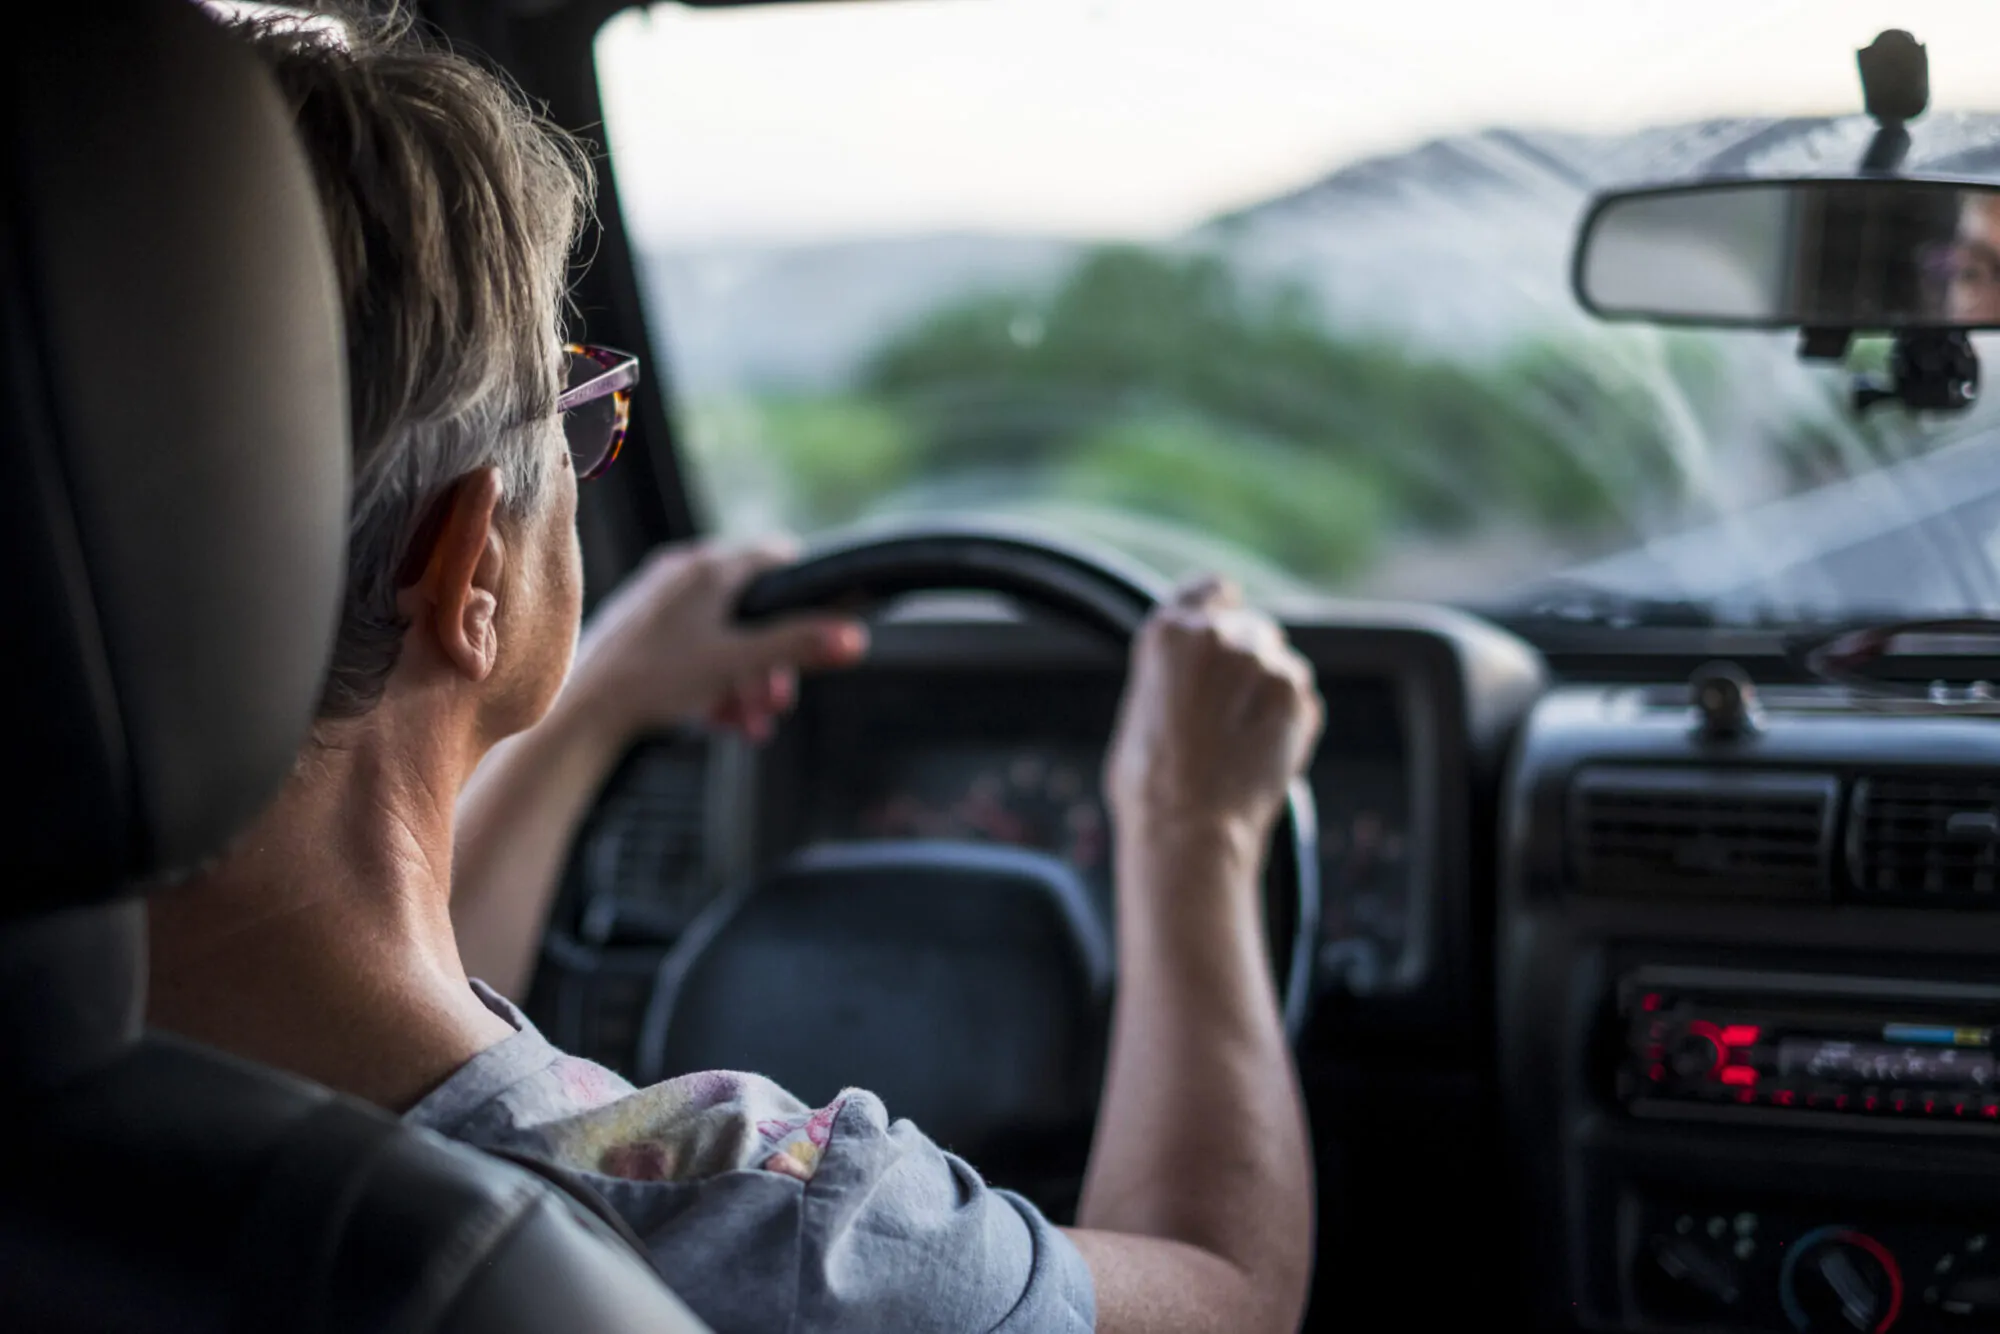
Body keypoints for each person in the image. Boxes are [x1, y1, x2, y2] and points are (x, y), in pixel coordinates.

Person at [147, 13, 1322, 1334]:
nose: (587, 458)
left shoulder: (92, 1077)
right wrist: (1195, 826)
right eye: (576, 417)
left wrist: (594, 704)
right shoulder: (760, 1225)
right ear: (470, 560)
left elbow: (345, 1008)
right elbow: (1229, 1293)